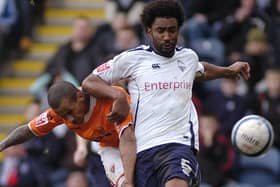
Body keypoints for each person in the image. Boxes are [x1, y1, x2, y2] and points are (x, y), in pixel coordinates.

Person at [82, 1, 250, 187]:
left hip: (179, 144)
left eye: (172, 30)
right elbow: (90, 82)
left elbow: (201, 70)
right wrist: (118, 96)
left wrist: (228, 71)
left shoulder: (187, 57)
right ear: (148, 31)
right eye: (160, 30)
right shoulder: (132, 59)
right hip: (144, 149)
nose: (167, 36)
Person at [0, 81, 136, 187]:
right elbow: (28, 130)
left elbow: (128, 138)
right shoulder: (60, 113)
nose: (69, 119)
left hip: (134, 138)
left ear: (80, 96)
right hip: (108, 146)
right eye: (64, 116)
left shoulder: (108, 99)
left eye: (70, 111)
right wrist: (3, 144)